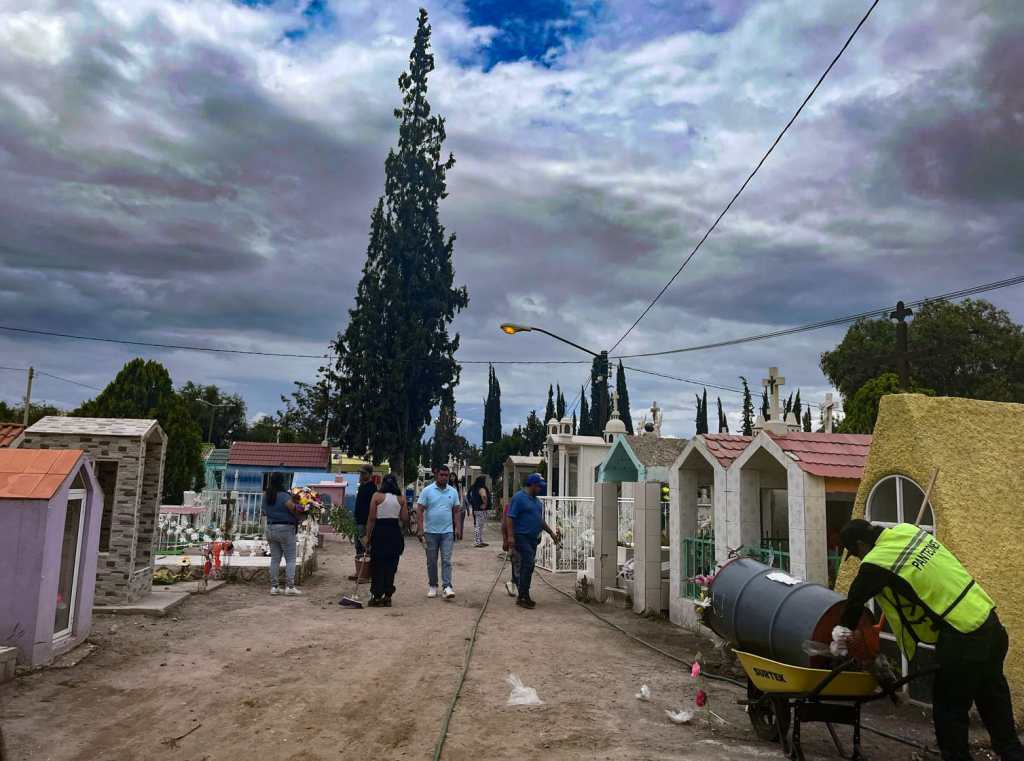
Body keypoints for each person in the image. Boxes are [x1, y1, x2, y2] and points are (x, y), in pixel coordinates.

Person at [837, 519, 1024, 761]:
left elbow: (855, 600)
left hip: (962, 634)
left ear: (861, 543)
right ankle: (1012, 753)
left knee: (950, 709)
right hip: (989, 621)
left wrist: (840, 634)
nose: (859, 558)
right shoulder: (907, 530)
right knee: (993, 698)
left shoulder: (877, 561)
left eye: (856, 553)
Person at [506, 473, 560, 609]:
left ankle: (524, 594)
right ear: (532, 485)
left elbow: (539, 520)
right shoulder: (519, 498)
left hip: (533, 538)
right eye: (539, 486)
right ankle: (522, 595)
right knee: (528, 562)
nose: (540, 489)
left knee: (529, 567)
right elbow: (510, 517)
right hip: (521, 536)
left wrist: (551, 533)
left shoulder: (537, 502)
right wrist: (510, 536)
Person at [362, 474, 409, 607]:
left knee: (377, 564)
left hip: (380, 531)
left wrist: (367, 536)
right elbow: (405, 518)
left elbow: (371, 518)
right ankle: (388, 595)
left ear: (383, 483)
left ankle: (376, 596)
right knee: (391, 565)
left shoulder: (376, 496)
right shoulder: (401, 498)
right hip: (394, 531)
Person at [416, 464, 462, 600]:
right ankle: (433, 585)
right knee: (432, 561)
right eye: (441, 475)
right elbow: (420, 509)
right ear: (436, 475)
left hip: (447, 532)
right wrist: (420, 528)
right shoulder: (427, 491)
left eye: (446, 475)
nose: (444, 477)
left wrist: (458, 528)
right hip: (430, 532)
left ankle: (447, 586)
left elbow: (457, 511)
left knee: (446, 560)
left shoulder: (453, 492)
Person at [262, 472, 302, 596]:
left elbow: (264, 512)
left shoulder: (266, 496)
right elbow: (292, 509)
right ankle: (290, 587)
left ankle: (274, 587)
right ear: (282, 481)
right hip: (285, 529)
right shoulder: (285, 496)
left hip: (270, 528)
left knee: (275, 559)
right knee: (290, 559)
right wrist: (300, 512)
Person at [350, 465, 376, 581]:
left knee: (366, 547)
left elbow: (372, 507)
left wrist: (369, 523)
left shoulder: (372, 488)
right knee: (358, 546)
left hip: (365, 522)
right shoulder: (361, 487)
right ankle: (359, 571)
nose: (361, 475)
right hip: (358, 520)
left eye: (363, 473)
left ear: (369, 474)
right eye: (360, 473)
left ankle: (367, 573)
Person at [501, 499, 520, 597]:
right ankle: (522, 591)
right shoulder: (509, 506)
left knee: (519, 564)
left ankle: (513, 583)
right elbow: (504, 524)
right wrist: (506, 540)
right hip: (513, 539)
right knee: (516, 562)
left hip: (524, 539)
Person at [468, 475, 490, 548]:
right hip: (481, 510)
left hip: (476, 509)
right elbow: (484, 496)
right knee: (479, 526)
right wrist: (485, 504)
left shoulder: (474, 489)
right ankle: (477, 541)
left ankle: (479, 540)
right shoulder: (482, 489)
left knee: (478, 526)